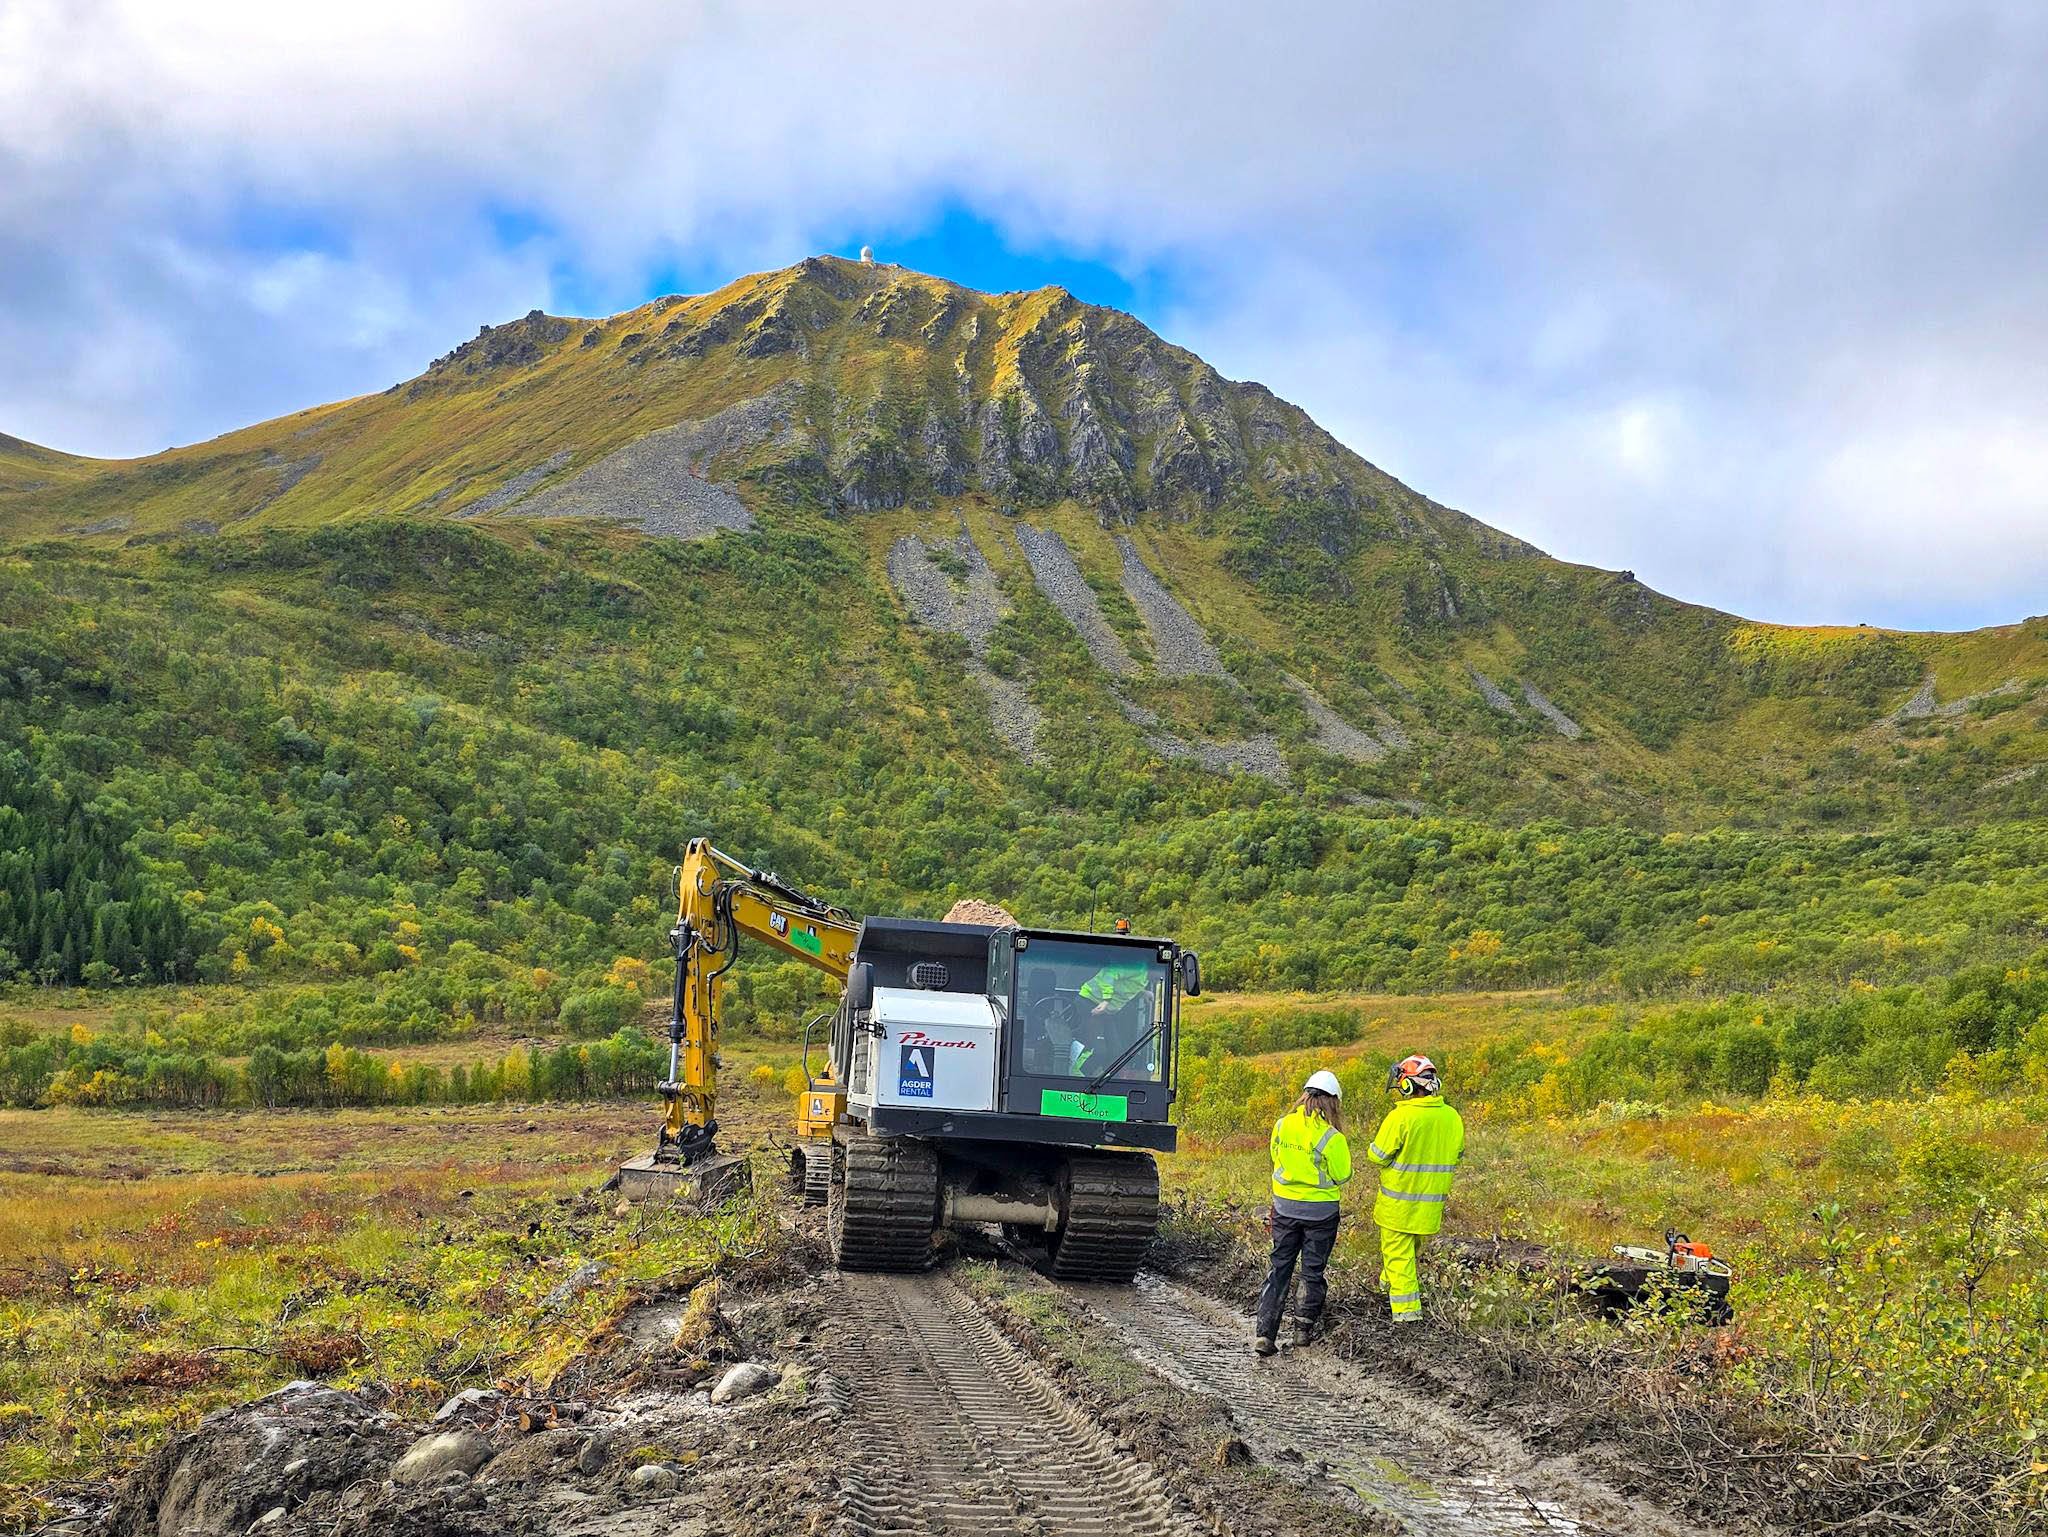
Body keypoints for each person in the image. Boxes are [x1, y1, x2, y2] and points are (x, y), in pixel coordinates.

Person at [1254, 1068, 1350, 1355]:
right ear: (1333, 1102)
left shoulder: (1282, 1125)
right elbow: (1343, 1174)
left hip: (1284, 1209)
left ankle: (1264, 1336)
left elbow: (1275, 1157)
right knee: (1312, 1272)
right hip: (1321, 1214)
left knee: (1279, 1269)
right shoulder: (1332, 1137)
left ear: (1305, 1096)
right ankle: (1302, 1334)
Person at [1365, 1054, 1464, 1326]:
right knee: (1404, 1260)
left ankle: (1407, 1318)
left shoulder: (1401, 1116)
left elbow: (1377, 1155)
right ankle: (1383, 1293)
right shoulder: (1452, 1117)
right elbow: (1457, 1154)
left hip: (1398, 1208)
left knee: (1399, 1261)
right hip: (1429, 1209)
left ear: (1409, 1085)